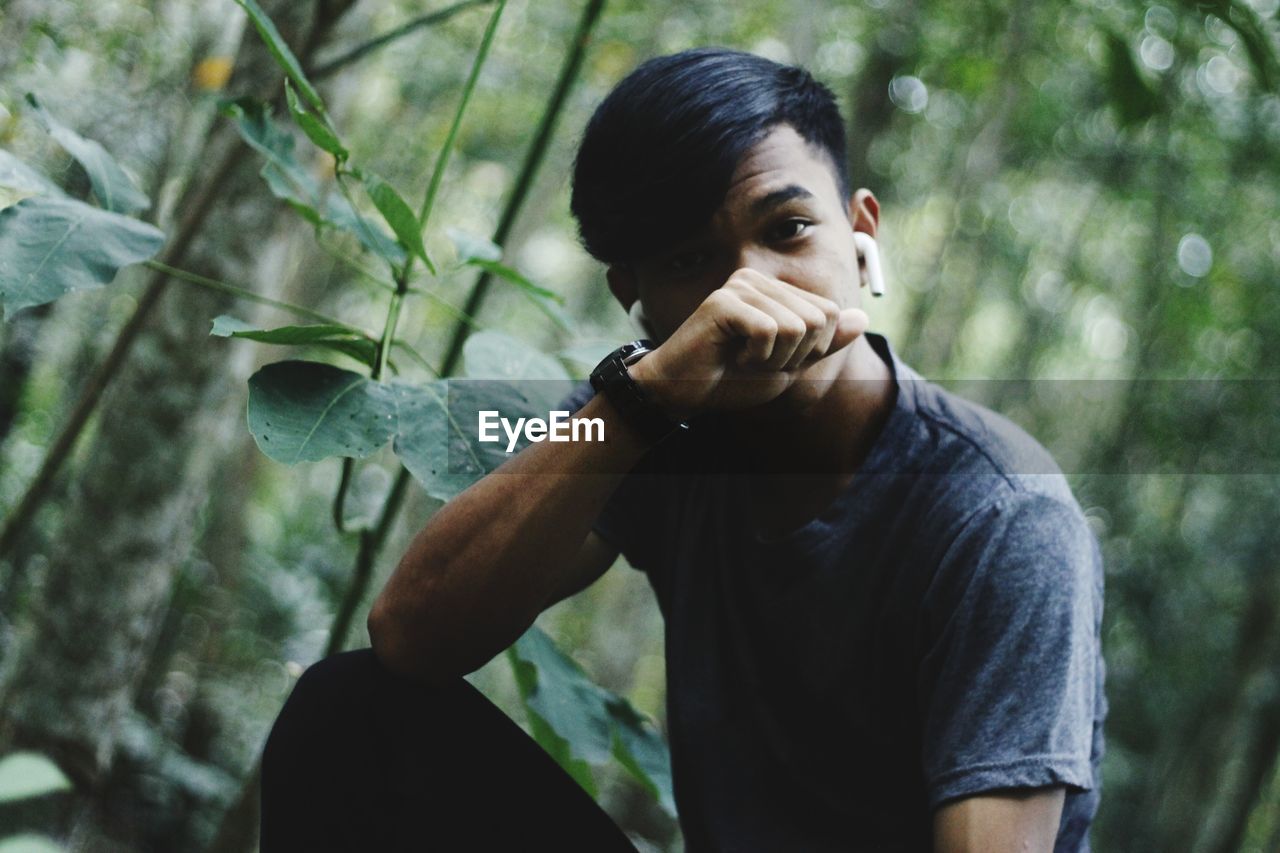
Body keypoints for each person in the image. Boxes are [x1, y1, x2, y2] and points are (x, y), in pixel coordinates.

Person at [259, 48, 1106, 852]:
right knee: (349, 708)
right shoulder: (648, 415)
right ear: (637, 297)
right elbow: (412, 632)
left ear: (861, 233)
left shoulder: (1002, 514)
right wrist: (640, 405)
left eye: (790, 228)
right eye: (692, 259)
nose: (751, 287)